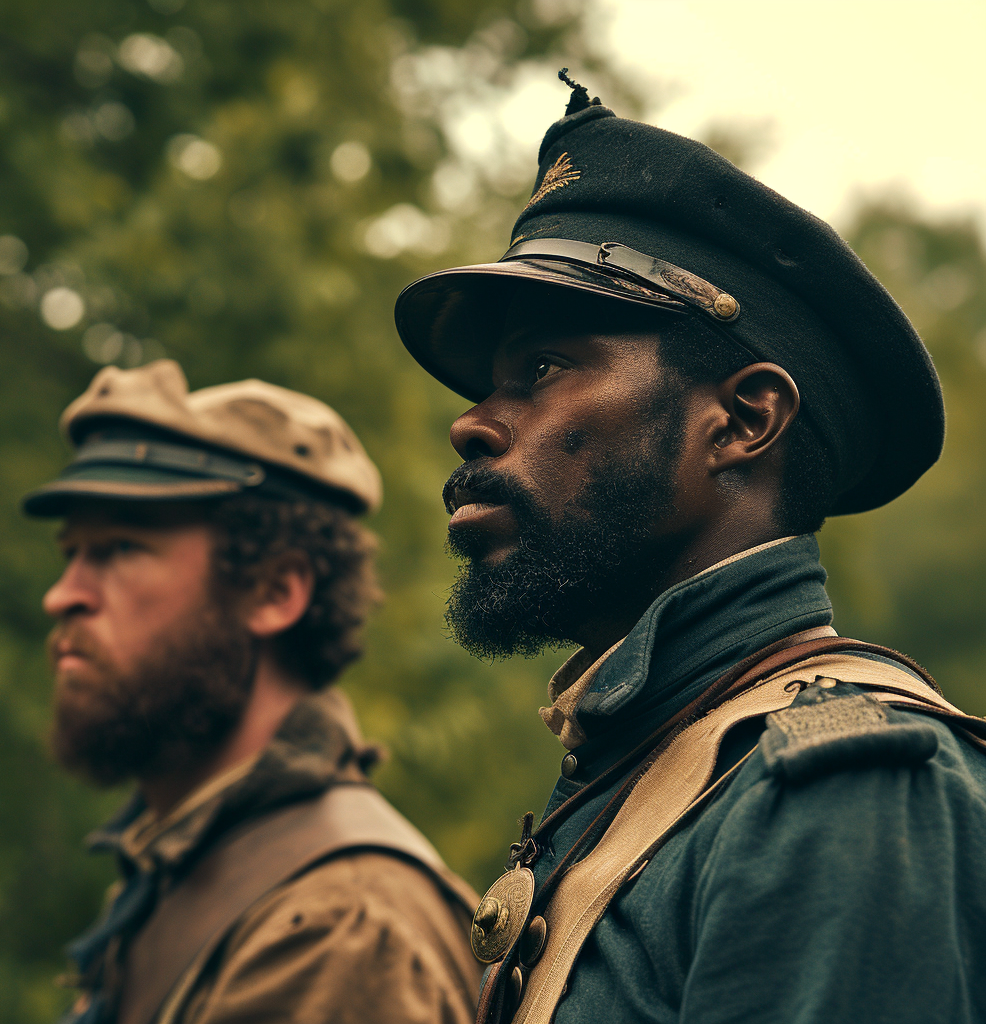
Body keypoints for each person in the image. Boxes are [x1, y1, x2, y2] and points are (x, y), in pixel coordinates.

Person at [393, 74, 986, 1024]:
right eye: (490, 383)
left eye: (540, 370)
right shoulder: (640, 765)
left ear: (745, 420)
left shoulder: (845, 798)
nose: (472, 424)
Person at [25, 359, 482, 1024]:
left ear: (274, 592)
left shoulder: (338, 927)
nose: (61, 594)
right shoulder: (180, 867)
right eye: (71, 552)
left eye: (119, 548)